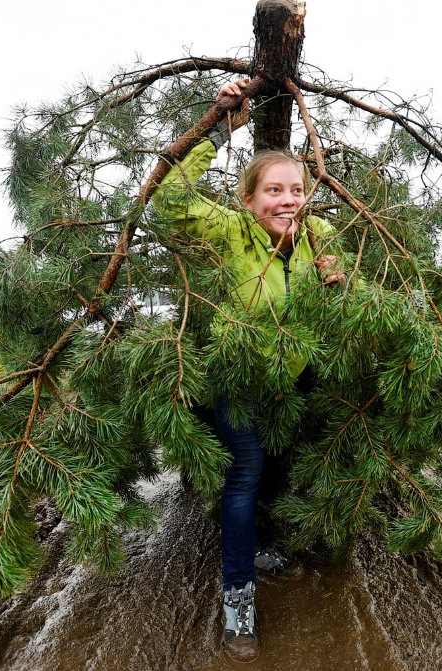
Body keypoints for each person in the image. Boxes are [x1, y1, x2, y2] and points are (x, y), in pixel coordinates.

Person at [154, 78, 344, 663]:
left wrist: (344, 284)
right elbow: (171, 200)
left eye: (297, 189)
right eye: (273, 191)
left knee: (279, 465)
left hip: (295, 381)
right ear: (248, 199)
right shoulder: (229, 233)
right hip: (237, 381)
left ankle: (261, 540)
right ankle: (238, 596)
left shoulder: (319, 235)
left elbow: (347, 299)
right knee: (245, 475)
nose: (288, 200)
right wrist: (218, 124)